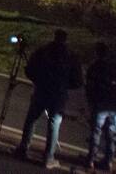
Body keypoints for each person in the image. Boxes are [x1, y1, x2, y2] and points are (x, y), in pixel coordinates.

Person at [14, 29, 83, 168]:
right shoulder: (71, 56)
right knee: (54, 124)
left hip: (42, 90)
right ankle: (48, 157)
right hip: (58, 95)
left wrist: (39, 80)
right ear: (65, 39)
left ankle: (23, 148)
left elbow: (29, 69)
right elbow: (77, 81)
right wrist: (63, 86)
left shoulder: (43, 51)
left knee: (31, 119)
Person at [86, 42, 116, 171]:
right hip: (113, 105)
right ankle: (108, 161)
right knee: (111, 134)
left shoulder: (95, 67)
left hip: (100, 104)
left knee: (96, 132)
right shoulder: (113, 67)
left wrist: (91, 101)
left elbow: (90, 86)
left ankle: (91, 159)